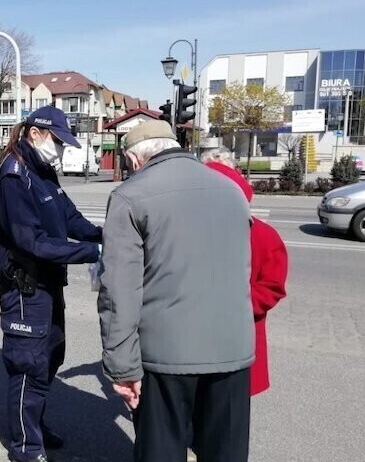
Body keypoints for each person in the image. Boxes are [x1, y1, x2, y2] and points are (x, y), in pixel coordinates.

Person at [98, 120, 254, 462]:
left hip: (165, 355)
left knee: (162, 451)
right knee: (225, 452)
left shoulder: (130, 196)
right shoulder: (231, 190)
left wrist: (122, 369)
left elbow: (118, 293)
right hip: (233, 348)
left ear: (134, 159)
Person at [0, 106, 102, 462]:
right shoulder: (14, 175)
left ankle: (34, 426)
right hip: (25, 287)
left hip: (49, 283)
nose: (61, 148)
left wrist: (106, 234)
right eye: (57, 140)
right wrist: (92, 252)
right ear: (35, 133)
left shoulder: (42, 170)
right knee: (29, 366)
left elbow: (69, 216)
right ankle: (26, 447)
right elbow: (30, 242)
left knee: (52, 356)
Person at [203, 150, 288, 396]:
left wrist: (227, 305)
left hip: (235, 335)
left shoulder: (261, 234)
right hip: (233, 338)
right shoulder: (265, 233)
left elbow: (271, 288)